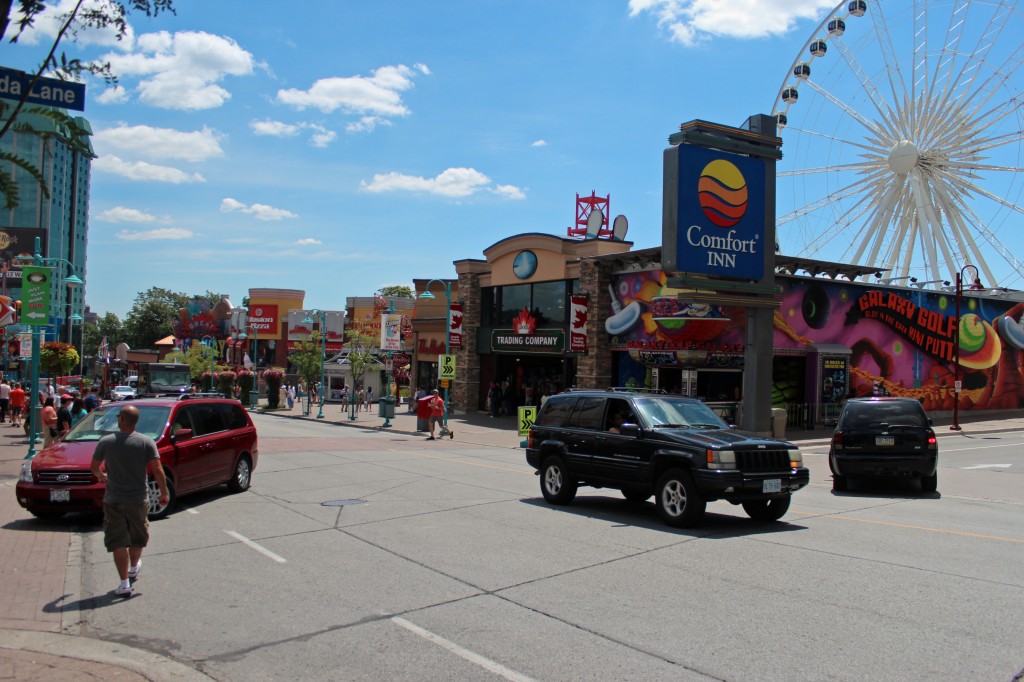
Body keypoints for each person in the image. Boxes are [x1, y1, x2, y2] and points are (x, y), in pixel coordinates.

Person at [90, 405, 169, 598]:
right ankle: (133, 567)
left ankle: (124, 583)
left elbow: (94, 467)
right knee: (137, 535)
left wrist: (101, 475)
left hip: (114, 499)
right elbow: (158, 470)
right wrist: (164, 493)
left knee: (118, 541)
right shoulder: (146, 442)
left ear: (121, 420)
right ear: (136, 421)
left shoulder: (106, 441)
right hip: (138, 498)